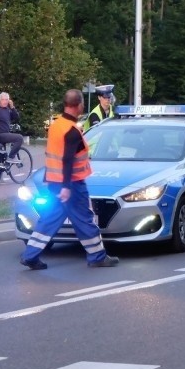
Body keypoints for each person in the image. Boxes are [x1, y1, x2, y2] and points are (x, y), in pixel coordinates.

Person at [20, 89, 119, 270]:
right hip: (71, 184)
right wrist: (67, 187)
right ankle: (97, 256)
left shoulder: (57, 125)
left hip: (54, 181)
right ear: (79, 105)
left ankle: (30, 255)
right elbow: (67, 159)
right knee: (84, 218)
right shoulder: (72, 131)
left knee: (50, 218)